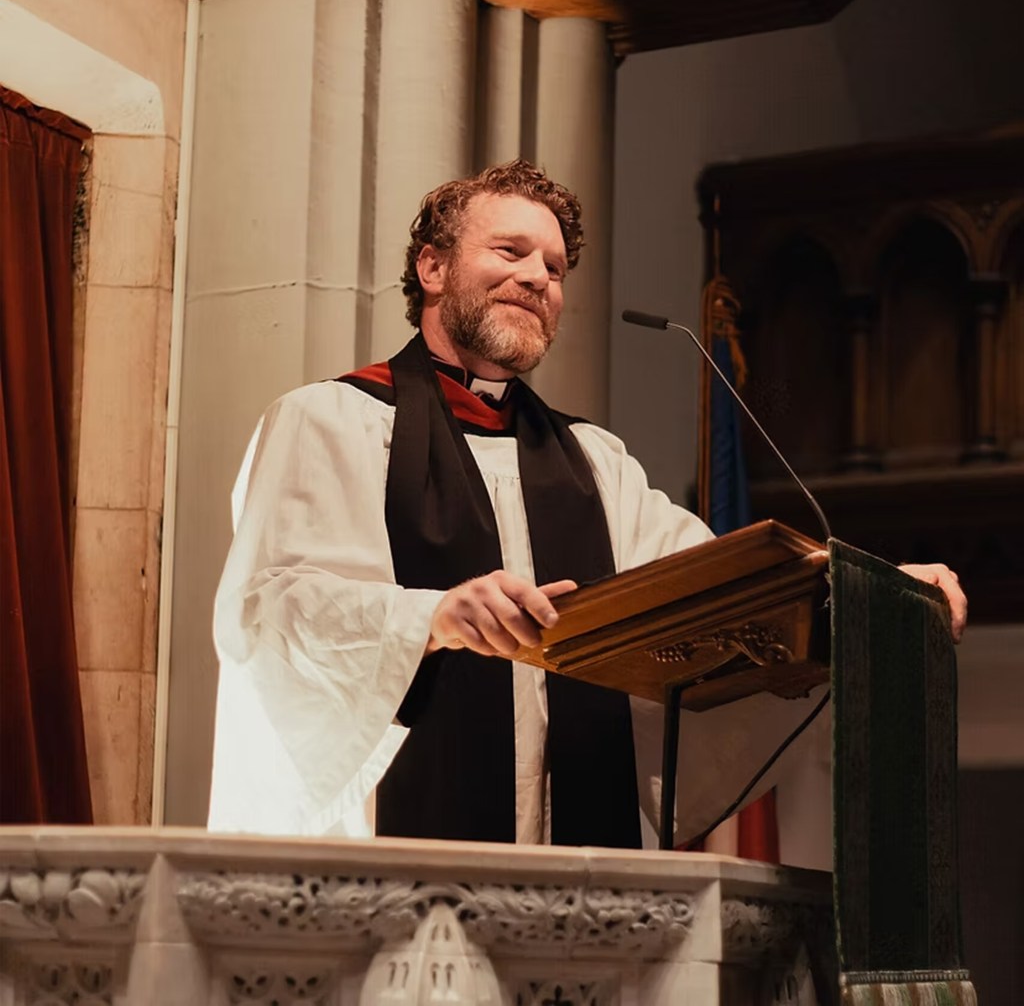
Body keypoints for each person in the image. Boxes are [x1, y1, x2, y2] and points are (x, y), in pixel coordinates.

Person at [207, 160, 966, 853]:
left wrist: (872, 590)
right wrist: (429, 619)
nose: (539, 278)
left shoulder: (593, 462)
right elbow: (272, 612)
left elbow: (716, 585)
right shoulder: (331, 421)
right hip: (389, 855)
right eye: (510, 252)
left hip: (575, 865)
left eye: (555, 267)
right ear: (432, 268)